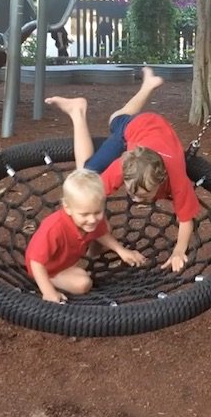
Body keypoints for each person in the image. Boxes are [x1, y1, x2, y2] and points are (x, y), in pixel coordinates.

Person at [45, 67, 200, 273]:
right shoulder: (123, 166)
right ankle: (78, 111)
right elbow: (88, 192)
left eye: (143, 196)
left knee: (116, 117)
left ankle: (144, 86)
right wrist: (83, 223)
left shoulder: (176, 178)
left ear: (162, 180)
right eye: (131, 192)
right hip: (134, 128)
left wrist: (179, 251)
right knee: (87, 170)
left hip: (155, 129)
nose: (135, 200)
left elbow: (186, 219)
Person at [25, 168, 147, 303]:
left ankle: (71, 270)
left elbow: (101, 233)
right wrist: (48, 291)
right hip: (46, 269)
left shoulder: (91, 220)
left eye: (98, 212)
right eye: (84, 214)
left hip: (64, 261)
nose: (92, 219)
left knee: (105, 228)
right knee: (83, 283)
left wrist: (121, 251)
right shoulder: (53, 228)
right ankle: (47, 281)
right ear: (67, 208)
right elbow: (36, 262)